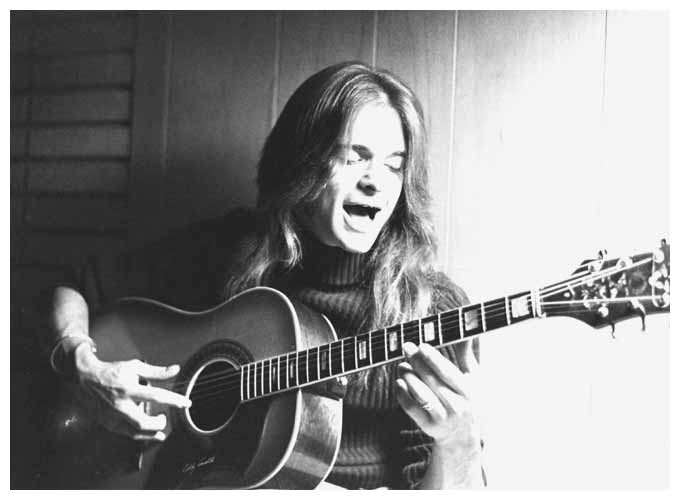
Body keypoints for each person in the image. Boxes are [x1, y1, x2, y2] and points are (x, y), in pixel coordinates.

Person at [44, 61, 484, 489]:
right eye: (356, 157)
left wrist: (460, 442)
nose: (378, 183)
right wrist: (83, 364)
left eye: (394, 165)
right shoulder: (230, 247)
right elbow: (75, 284)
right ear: (303, 162)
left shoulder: (430, 309)